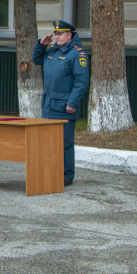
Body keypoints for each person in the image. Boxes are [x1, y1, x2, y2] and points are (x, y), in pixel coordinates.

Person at [32, 19, 90, 187]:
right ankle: (51, 170)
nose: (57, 37)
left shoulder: (77, 54)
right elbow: (36, 60)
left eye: (60, 34)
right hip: (49, 105)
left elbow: (81, 82)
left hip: (64, 106)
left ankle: (67, 175)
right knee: (47, 141)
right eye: (55, 34)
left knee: (64, 142)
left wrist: (72, 103)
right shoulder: (52, 51)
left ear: (69, 35)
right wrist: (41, 45)